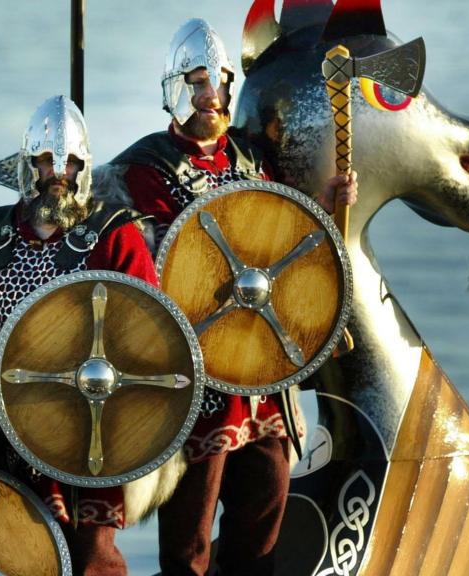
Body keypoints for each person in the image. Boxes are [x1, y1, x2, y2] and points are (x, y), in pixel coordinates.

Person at [105, 19, 358, 575]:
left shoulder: (251, 159)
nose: (209, 96)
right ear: (175, 88)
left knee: (261, 520)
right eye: (196, 83)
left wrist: (323, 199)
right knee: (189, 542)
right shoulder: (141, 171)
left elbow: (281, 240)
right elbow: (135, 274)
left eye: (216, 82)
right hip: (193, 383)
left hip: (262, 379)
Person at [0, 95, 156, 575]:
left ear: (84, 164)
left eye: (69, 160)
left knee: (92, 558)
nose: (58, 171)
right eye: (47, 160)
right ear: (30, 165)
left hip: (92, 420)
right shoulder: (0, 232)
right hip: (8, 418)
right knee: (19, 548)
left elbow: (150, 329)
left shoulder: (115, 233)